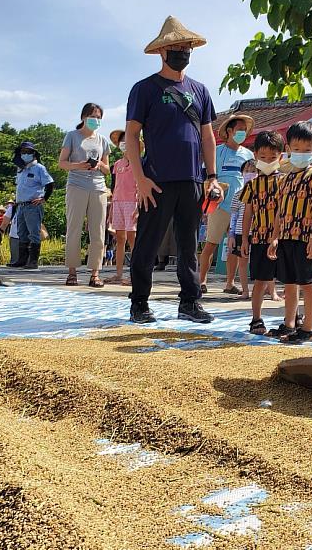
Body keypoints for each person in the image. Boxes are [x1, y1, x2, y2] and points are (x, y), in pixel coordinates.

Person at [125, 16, 221, 324]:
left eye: (185, 47)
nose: (181, 51)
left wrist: (212, 177)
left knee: (188, 245)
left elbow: (208, 135)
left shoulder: (201, 91)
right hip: (156, 180)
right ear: (162, 51)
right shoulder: (145, 89)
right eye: (175, 47)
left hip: (193, 180)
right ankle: (139, 303)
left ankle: (190, 302)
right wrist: (140, 179)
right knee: (147, 245)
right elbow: (131, 135)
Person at [266, 121, 312, 343]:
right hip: (286, 238)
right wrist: (274, 238)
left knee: (307, 284)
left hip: (304, 238)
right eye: (297, 149)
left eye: (308, 149)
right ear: (288, 149)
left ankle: (309, 328)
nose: (302, 154)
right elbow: (280, 211)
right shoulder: (285, 178)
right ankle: (289, 323)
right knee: (289, 284)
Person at [199, 114, 254, 294]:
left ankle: (230, 283)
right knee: (211, 244)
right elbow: (208, 176)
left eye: (244, 131)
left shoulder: (248, 154)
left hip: (240, 206)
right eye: (239, 130)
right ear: (229, 131)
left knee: (234, 246)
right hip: (219, 206)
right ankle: (201, 281)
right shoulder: (217, 151)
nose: (242, 133)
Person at [59, 103, 111, 287]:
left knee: (98, 231)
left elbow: (107, 169)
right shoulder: (72, 136)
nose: (95, 120)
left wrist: (98, 165)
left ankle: (95, 273)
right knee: (74, 229)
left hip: (98, 187)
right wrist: (79, 165)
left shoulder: (103, 140)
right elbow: (62, 163)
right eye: (92, 116)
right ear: (83, 117)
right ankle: (72, 272)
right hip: (76, 186)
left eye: (98, 117)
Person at [241, 131, 285, 334]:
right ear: (256, 156)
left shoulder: (285, 182)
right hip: (259, 238)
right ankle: (256, 318)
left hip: (285, 239)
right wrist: (244, 240)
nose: (267, 161)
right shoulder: (251, 185)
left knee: (291, 281)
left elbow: (284, 211)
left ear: (281, 157)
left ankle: (292, 317)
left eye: (272, 157)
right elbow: (247, 213)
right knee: (259, 280)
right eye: (263, 157)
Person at [9, 142, 54, 270]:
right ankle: (22, 260)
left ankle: (33, 261)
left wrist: (44, 198)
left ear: (34, 153)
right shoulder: (20, 169)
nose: (25, 154)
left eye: (28, 152)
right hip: (21, 205)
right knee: (21, 232)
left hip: (32, 205)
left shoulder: (39, 168)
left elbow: (50, 184)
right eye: (23, 152)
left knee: (34, 233)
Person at [107, 130, 138, 285]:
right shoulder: (117, 164)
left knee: (133, 239)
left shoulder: (139, 162)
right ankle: (118, 273)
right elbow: (115, 187)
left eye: (128, 140)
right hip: (118, 202)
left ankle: (135, 274)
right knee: (119, 238)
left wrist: (139, 207)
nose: (124, 144)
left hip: (133, 202)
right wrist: (112, 206)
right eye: (122, 142)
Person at [227, 160, 257, 300]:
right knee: (243, 261)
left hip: (259, 232)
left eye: (253, 171)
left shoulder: (262, 193)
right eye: (247, 171)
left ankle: (270, 290)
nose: (250, 174)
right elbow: (233, 215)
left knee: (262, 262)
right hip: (240, 232)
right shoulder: (238, 194)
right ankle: (245, 290)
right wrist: (231, 235)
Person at [0, 199, 19, 266]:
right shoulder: (12, 209)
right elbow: (4, 224)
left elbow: (4, 224)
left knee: (20, 262)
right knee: (16, 262)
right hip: (15, 237)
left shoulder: (31, 207)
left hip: (25, 238)